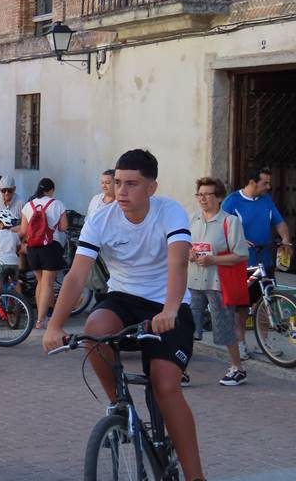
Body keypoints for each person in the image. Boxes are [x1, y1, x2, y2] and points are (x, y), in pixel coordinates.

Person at [45, 149, 206, 481]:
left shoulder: (170, 212)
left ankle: (196, 476)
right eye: (118, 182)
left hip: (168, 304)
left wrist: (171, 308)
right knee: (94, 328)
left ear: (151, 188)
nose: (121, 191)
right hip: (123, 298)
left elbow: (178, 262)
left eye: (131, 184)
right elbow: (76, 275)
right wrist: (55, 325)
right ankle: (121, 407)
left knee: (165, 387)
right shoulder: (101, 218)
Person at [188, 177, 249, 385]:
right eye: (199, 194)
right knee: (187, 327)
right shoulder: (193, 219)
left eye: (207, 194)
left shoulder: (230, 222)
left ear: (220, 197)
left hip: (217, 283)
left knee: (224, 327)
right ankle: (179, 370)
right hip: (193, 282)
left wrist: (213, 259)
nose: (202, 198)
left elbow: (241, 255)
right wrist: (189, 254)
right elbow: (186, 245)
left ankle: (237, 368)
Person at [221, 167, 292, 274]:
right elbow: (219, 227)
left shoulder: (266, 200)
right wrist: (237, 240)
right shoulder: (232, 201)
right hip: (243, 262)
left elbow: (279, 222)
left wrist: (286, 240)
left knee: (267, 290)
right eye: (265, 183)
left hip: (265, 261)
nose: (268, 187)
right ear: (252, 183)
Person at [21, 178, 68, 329]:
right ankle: (41, 320)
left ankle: (39, 317)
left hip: (32, 248)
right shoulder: (58, 204)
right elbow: (63, 227)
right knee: (48, 283)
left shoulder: (28, 205)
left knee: (40, 282)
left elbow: (23, 231)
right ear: (52, 190)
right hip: (50, 247)